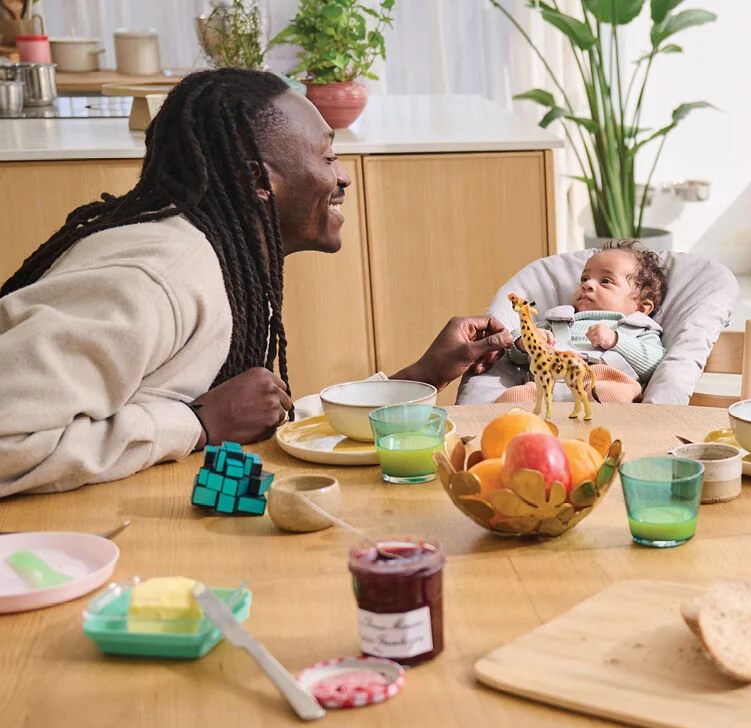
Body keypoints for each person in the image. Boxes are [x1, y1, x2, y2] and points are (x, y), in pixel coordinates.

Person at [0, 69, 514, 497]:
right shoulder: (153, 280)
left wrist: (420, 374)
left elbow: (262, 423)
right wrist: (198, 424)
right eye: (327, 156)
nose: (343, 178)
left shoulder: (229, 262)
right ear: (256, 182)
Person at [497, 240, 666, 405]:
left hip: (604, 379)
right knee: (512, 397)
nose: (588, 285)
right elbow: (511, 349)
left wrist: (616, 340)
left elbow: (655, 364)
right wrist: (526, 341)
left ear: (641, 308)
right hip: (547, 383)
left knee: (614, 394)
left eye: (606, 281)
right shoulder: (558, 321)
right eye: (584, 279)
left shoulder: (638, 330)